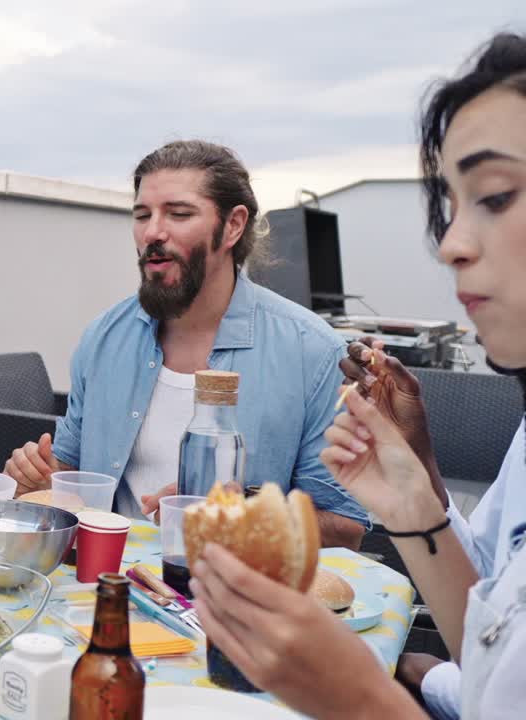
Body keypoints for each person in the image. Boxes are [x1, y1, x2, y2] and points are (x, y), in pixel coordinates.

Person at [191, 32, 526, 719]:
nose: (453, 245)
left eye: (494, 196)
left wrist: (362, 697)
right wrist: (412, 497)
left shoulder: (301, 341)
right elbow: (493, 651)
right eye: (451, 206)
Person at [3, 140, 367, 548]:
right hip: (107, 588)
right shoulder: (104, 338)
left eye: (179, 214)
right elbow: (66, 474)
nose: (153, 232)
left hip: (237, 598)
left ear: (232, 225)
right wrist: (35, 478)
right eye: (142, 215)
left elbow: (345, 527)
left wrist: (243, 516)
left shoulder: (314, 353)